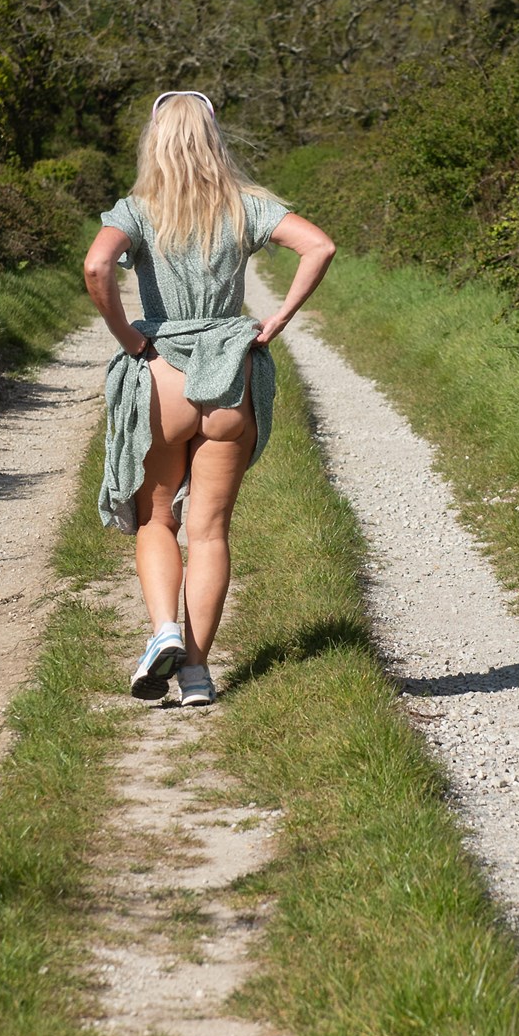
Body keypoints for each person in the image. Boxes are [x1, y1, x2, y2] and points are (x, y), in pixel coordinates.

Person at [83, 90, 334, 706]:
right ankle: (196, 674)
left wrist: (129, 338)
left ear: (155, 141)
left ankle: (163, 630)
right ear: (215, 140)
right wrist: (275, 321)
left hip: (162, 372)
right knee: (212, 530)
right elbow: (319, 246)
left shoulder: (137, 209)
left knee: (155, 518)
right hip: (230, 375)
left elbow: (96, 267)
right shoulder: (246, 206)